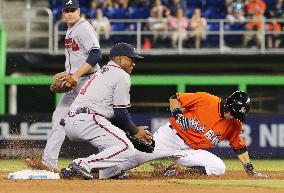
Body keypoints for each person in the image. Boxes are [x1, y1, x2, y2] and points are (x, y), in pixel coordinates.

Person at [115, 91, 270, 178]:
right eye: (233, 112)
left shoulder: (235, 123)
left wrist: (250, 169)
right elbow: (175, 98)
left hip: (190, 150)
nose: (233, 116)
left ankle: (176, 172)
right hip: (170, 137)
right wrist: (177, 113)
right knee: (128, 162)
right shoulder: (206, 100)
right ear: (228, 104)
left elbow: (239, 147)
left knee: (218, 168)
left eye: (237, 115)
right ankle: (97, 167)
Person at [25, 0, 102, 171]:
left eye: (72, 10)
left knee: (95, 122)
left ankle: (113, 160)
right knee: (59, 118)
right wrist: (70, 74)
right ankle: (49, 163)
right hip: (75, 81)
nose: (69, 13)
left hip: (89, 81)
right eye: (66, 10)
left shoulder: (83, 27)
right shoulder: (70, 29)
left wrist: (74, 75)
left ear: (79, 11)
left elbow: (96, 55)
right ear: (62, 13)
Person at [59, 42, 153, 180]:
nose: (134, 63)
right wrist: (135, 132)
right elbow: (121, 113)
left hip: (76, 120)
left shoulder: (104, 71)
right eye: (131, 59)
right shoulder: (121, 75)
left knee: (114, 144)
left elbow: (115, 116)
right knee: (126, 148)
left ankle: (110, 172)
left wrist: (130, 132)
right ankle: (81, 165)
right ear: (119, 59)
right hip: (88, 119)